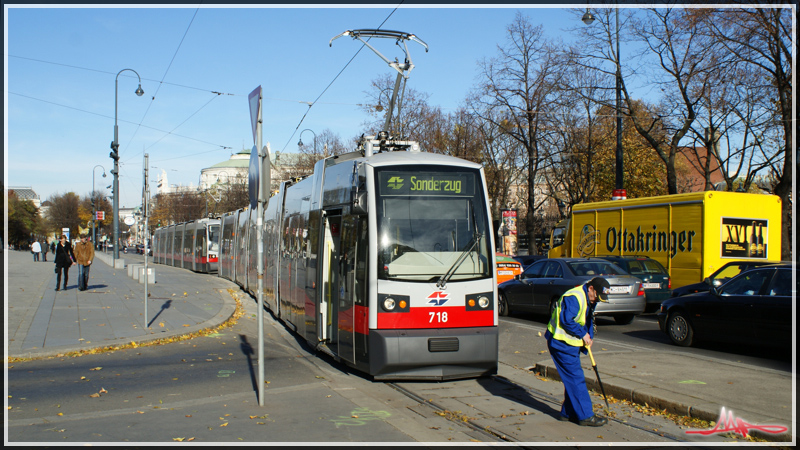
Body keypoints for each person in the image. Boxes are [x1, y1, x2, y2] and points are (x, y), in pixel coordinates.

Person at [545, 276, 611, 427]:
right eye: (597, 296)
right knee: (576, 378)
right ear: (591, 289)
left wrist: (589, 336)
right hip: (561, 343)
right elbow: (567, 320)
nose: (597, 300)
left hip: (569, 344)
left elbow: (587, 319)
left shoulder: (588, 298)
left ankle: (567, 413)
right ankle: (586, 416)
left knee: (572, 378)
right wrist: (583, 334)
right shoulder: (574, 297)